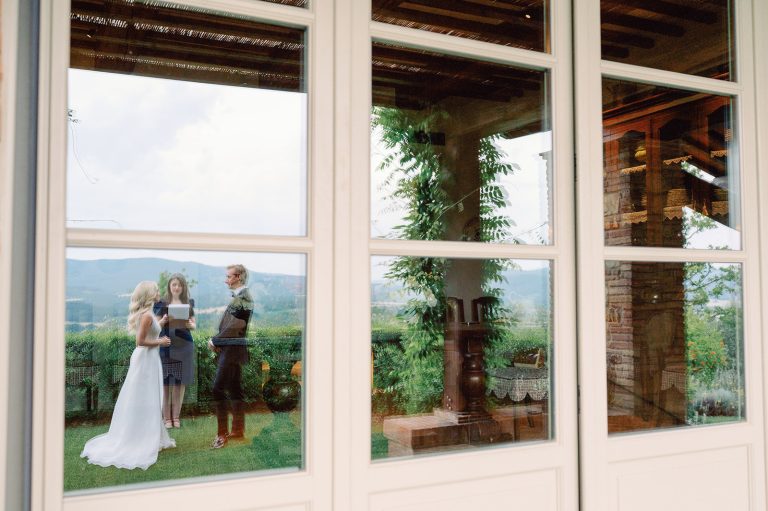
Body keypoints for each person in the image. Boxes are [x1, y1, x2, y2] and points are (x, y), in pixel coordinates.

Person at [81, 281, 175, 469]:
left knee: (147, 398)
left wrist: (161, 322)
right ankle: (140, 439)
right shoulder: (147, 315)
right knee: (145, 397)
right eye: (156, 290)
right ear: (149, 294)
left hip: (148, 360)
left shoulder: (148, 315)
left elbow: (148, 329)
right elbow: (140, 342)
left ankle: (148, 435)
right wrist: (160, 341)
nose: (159, 292)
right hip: (146, 360)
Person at [208, 264, 253, 449]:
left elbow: (235, 326)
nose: (226, 279)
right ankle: (237, 430)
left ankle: (221, 434)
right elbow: (232, 325)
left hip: (233, 349)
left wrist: (215, 341)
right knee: (235, 389)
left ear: (239, 278)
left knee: (218, 389)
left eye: (229, 276)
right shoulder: (241, 297)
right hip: (232, 349)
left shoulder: (244, 297)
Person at [154, 273, 196, 429]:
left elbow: (194, 324)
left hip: (184, 345)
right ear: (169, 286)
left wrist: (191, 325)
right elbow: (154, 324)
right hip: (166, 344)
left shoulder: (188, 303)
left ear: (183, 287)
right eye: (174, 285)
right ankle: (166, 418)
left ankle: (176, 417)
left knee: (179, 382)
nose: (177, 287)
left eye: (179, 285)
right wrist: (164, 320)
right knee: (166, 383)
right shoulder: (161, 303)